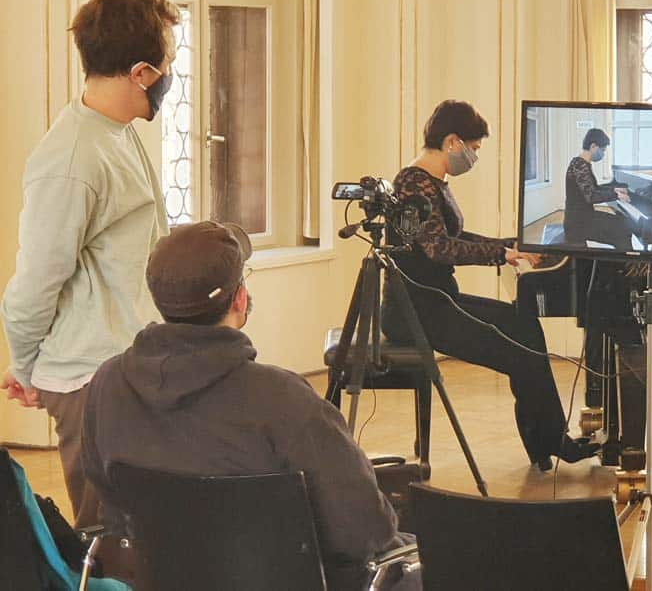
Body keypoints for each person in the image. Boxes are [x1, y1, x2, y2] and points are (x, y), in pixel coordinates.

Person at [81, 221, 417, 590]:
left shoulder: (107, 385)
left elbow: (111, 513)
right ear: (239, 299)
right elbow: (364, 532)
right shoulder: (285, 400)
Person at [1, 0, 174, 529]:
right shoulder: (72, 156)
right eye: (168, 61)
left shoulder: (116, 133)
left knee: (148, 534)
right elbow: (36, 280)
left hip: (127, 369)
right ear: (141, 71)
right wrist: (26, 367)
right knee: (111, 543)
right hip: (92, 383)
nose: (171, 74)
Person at [381, 99, 599, 471]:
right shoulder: (413, 182)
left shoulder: (431, 182)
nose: (474, 157)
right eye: (474, 148)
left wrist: (508, 246)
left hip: (437, 301)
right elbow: (438, 249)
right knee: (517, 345)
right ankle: (549, 439)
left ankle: (546, 440)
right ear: (452, 141)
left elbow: (453, 234)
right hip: (417, 312)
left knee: (524, 323)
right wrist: (501, 256)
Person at [563, 128, 634, 250]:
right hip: (578, 224)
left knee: (622, 226)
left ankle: (623, 263)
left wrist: (615, 189)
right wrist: (616, 195)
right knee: (623, 229)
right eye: (603, 150)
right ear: (593, 146)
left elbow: (593, 189)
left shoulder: (580, 163)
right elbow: (591, 196)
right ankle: (625, 265)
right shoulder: (580, 165)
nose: (603, 154)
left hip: (581, 218)